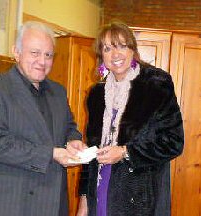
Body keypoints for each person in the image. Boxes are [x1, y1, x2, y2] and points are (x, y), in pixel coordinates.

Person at [0, 21, 85, 216]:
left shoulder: (58, 91)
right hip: (13, 203)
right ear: (16, 52)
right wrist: (51, 154)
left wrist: (73, 140)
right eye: (35, 53)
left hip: (54, 201)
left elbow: (68, 126)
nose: (42, 61)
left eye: (48, 55)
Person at [77, 22, 184, 216]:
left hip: (139, 201)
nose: (115, 54)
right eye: (108, 49)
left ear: (133, 50)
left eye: (122, 46)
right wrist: (84, 203)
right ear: (102, 57)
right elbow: (91, 153)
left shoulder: (156, 85)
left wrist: (126, 152)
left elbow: (174, 143)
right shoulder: (96, 95)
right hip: (100, 193)